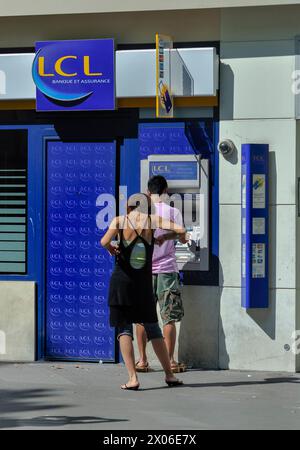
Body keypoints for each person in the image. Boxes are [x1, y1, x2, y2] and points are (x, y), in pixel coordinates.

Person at [101, 193, 186, 390]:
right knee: (153, 329)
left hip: (121, 283)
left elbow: (103, 242)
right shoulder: (152, 221)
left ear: (129, 207)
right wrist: (167, 236)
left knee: (123, 329)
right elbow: (181, 229)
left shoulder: (120, 221)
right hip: (143, 285)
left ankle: (133, 378)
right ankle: (169, 375)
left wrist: (112, 249)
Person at [136, 175, 188, 373]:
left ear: (148, 192)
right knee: (169, 317)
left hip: (144, 271)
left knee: (141, 316)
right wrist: (171, 235)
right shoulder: (173, 212)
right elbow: (183, 238)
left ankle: (142, 361)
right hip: (167, 269)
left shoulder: (142, 213)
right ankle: (170, 361)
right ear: (165, 191)